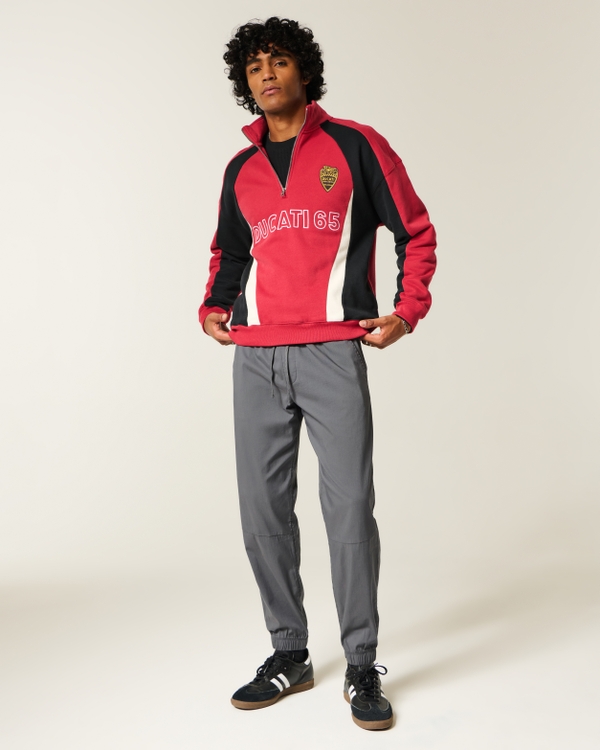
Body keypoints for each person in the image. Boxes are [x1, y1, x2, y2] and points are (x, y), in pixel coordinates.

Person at [199, 17, 436, 731]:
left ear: (304, 70)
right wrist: (212, 307)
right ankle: (290, 653)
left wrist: (407, 310)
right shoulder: (239, 170)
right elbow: (229, 253)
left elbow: (415, 229)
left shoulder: (355, 146)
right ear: (245, 84)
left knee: (349, 507)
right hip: (255, 356)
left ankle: (361, 662)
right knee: (262, 511)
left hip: (333, 349)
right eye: (254, 68)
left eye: (279, 62)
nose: (267, 75)